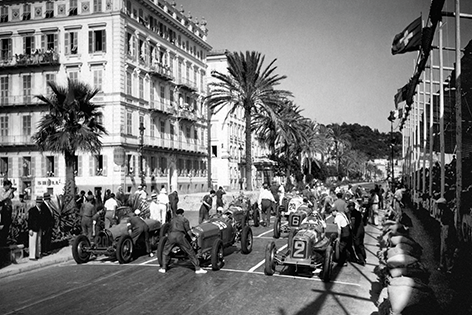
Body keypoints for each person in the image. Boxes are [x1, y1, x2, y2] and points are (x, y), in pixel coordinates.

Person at [159, 208, 207, 274]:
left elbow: (168, 228)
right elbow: (188, 231)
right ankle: (197, 268)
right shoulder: (184, 220)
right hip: (180, 236)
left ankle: (163, 268)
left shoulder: (172, 220)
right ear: (182, 213)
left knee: (165, 251)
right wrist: (192, 237)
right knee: (190, 251)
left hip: (171, 236)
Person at [437, 197, 457, 274]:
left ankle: (449, 267)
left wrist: (448, 233)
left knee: (446, 249)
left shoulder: (447, 212)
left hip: (447, 230)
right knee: (442, 249)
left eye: (439, 204)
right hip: (444, 229)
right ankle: (442, 265)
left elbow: (449, 223)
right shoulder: (444, 211)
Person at [348, 201, 366, 266]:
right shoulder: (358, 213)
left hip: (357, 231)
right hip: (362, 231)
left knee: (357, 245)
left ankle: (361, 260)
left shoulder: (353, 214)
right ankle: (364, 257)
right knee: (361, 244)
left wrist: (352, 232)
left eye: (349, 207)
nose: (349, 209)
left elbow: (353, 224)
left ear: (352, 207)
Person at [27, 196, 44, 260]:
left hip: (39, 227)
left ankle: (37, 254)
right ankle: (32, 256)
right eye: (38, 202)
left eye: (40, 202)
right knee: (32, 242)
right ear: (36, 203)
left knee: (38, 242)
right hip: (33, 228)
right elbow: (30, 220)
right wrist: (30, 229)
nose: (39, 204)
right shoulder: (32, 210)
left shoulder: (41, 210)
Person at [0, 179, 16, 246]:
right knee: (3, 227)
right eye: (9, 186)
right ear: (6, 185)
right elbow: (2, 198)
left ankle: (5, 240)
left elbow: (11, 197)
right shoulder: (1, 191)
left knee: (7, 227)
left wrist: (12, 192)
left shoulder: (8, 191)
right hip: (3, 210)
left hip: (8, 210)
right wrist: (9, 191)